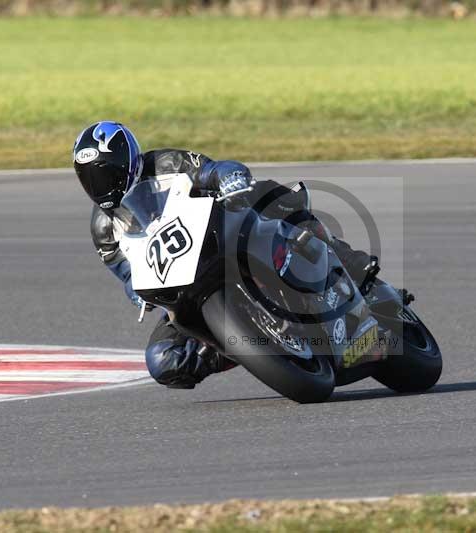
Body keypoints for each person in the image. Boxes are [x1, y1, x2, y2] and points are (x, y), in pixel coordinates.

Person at [73, 121, 379, 389]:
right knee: (164, 360)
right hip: (182, 281)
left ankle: (349, 262)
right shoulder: (102, 227)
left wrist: (228, 177)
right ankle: (245, 349)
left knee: (273, 197)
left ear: (126, 162)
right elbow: (127, 273)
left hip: (223, 238)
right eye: (88, 178)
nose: (99, 186)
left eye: (104, 174)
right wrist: (136, 294)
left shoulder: (166, 163)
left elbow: (212, 169)